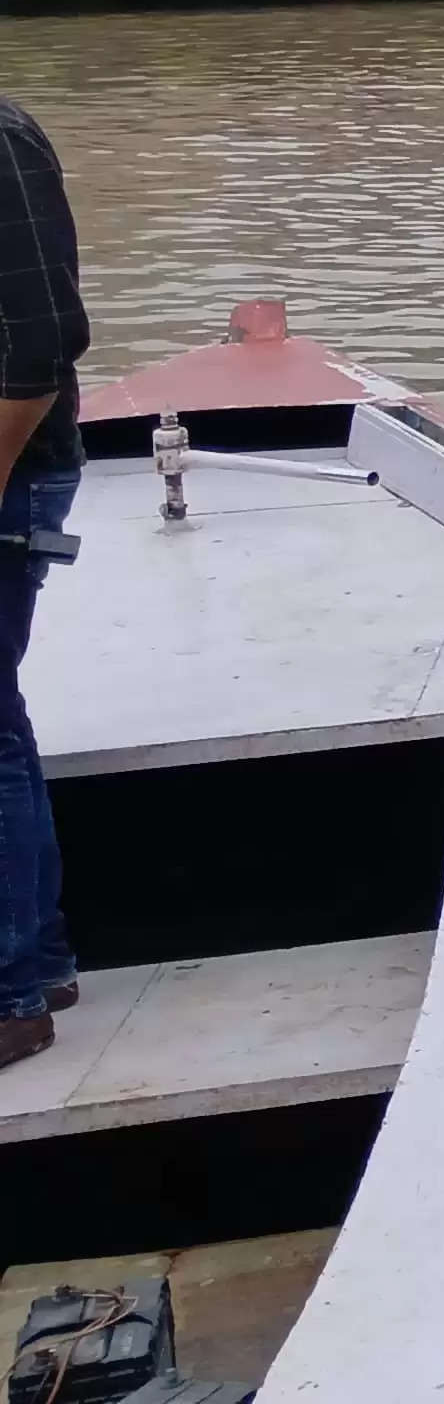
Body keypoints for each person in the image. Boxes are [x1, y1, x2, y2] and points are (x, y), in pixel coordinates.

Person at [0, 97, 84, 1074]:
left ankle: (12, 993)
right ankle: (42, 961)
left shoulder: (3, 146)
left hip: (16, 473)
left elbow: (40, 349)